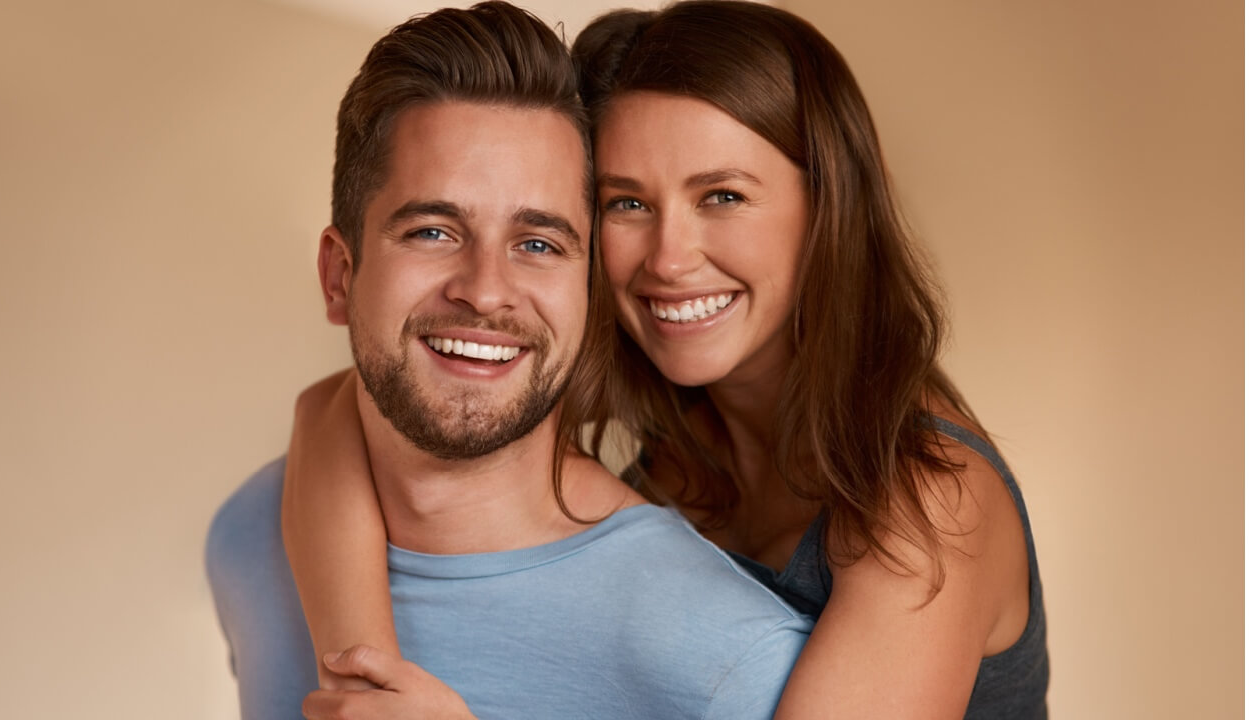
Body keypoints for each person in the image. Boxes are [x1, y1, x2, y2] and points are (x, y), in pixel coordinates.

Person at [282, 1, 1051, 718]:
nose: (670, 260)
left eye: (721, 196)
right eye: (627, 203)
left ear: (827, 212)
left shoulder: (930, 501)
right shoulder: (674, 407)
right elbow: (335, 409)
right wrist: (363, 678)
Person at [205, 3, 814, 719]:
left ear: (586, 293)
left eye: (538, 245)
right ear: (340, 276)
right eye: (433, 230)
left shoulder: (730, 658)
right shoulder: (249, 533)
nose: (486, 291)